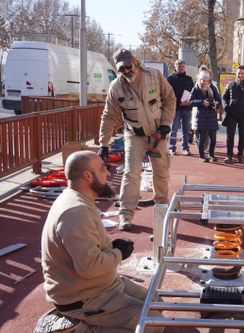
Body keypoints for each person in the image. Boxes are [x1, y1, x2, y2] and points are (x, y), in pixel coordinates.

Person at [40, 151, 161, 332]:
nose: (109, 174)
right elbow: (90, 267)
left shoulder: (80, 200)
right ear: (87, 176)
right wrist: (119, 253)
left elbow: (90, 248)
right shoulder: (76, 212)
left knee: (156, 303)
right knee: (152, 325)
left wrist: (113, 247)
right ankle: (81, 329)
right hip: (83, 298)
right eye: (104, 169)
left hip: (104, 286)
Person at [98, 49, 176, 231]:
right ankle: (125, 214)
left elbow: (170, 98)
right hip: (134, 134)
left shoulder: (154, 76)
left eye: (127, 66)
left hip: (158, 133)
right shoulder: (116, 87)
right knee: (131, 173)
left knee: (161, 172)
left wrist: (166, 124)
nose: (126, 71)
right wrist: (103, 144)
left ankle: (162, 210)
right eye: (121, 69)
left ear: (135, 61)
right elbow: (109, 116)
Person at [221, 65, 244, 163]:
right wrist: (226, 107)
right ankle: (229, 155)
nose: (240, 75)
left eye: (242, 73)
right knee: (230, 136)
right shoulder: (231, 85)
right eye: (239, 73)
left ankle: (240, 155)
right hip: (231, 114)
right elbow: (223, 97)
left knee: (242, 136)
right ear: (236, 74)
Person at [190, 70, 221, 162]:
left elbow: (218, 99)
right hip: (201, 116)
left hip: (211, 115)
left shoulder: (212, 87)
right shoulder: (195, 88)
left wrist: (216, 104)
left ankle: (211, 154)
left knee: (213, 137)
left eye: (207, 80)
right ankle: (202, 156)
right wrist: (202, 102)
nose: (206, 82)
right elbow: (190, 102)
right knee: (202, 137)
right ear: (200, 80)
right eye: (204, 80)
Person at [168, 59, 194, 156]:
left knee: (186, 130)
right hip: (175, 109)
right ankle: (172, 148)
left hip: (187, 109)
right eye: (179, 66)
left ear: (185, 67)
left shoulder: (189, 79)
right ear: (175, 67)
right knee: (173, 129)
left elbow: (193, 93)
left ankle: (185, 148)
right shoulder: (170, 79)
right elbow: (168, 94)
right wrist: (178, 102)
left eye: (182, 66)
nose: (181, 68)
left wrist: (188, 102)